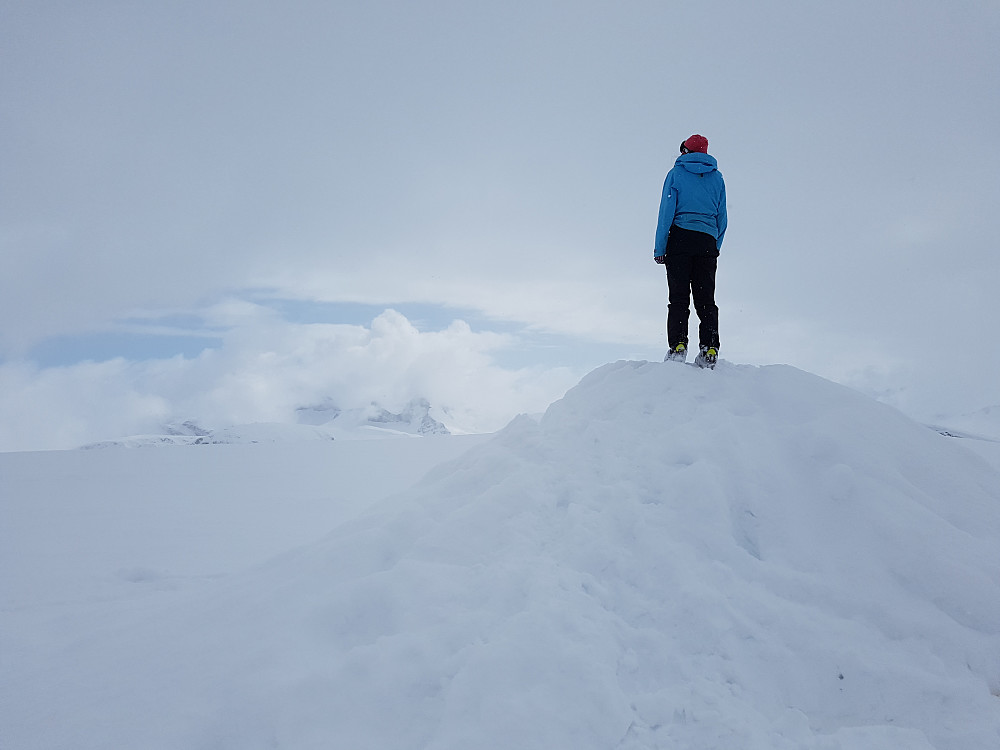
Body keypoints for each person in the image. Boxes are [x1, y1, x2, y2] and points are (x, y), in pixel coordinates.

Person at [653, 134, 727, 369]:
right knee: (706, 299)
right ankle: (710, 348)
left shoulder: (676, 174)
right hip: (706, 240)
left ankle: (678, 346)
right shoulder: (717, 178)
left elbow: (666, 212)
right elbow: (722, 216)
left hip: (680, 239)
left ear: (685, 150)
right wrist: (715, 244)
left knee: (678, 297)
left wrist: (660, 247)